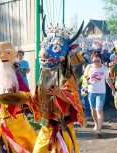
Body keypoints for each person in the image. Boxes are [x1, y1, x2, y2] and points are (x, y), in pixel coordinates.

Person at [32, 20, 86, 153]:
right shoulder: (44, 74)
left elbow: (75, 101)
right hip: (47, 125)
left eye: (55, 48)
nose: (45, 53)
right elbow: (37, 98)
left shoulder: (68, 77)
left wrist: (58, 93)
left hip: (63, 125)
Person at [84, 53, 115, 138]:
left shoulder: (104, 69)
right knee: (93, 110)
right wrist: (87, 81)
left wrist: (113, 89)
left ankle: (99, 130)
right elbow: (85, 78)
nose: (96, 63)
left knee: (99, 110)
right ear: (92, 60)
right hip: (91, 92)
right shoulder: (89, 67)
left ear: (100, 60)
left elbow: (108, 80)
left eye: (98, 61)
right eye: (94, 61)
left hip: (101, 93)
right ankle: (96, 124)